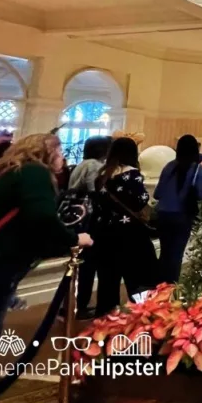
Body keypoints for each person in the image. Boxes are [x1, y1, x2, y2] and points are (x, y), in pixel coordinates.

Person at [0, 134, 92, 403]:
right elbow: (41, 217)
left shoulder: (6, 171)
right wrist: (72, 238)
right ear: (48, 153)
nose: (63, 160)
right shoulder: (33, 173)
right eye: (60, 154)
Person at [92, 137, 157, 316]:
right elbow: (140, 201)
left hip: (105, 234)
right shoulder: (132, 174)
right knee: (139, 280)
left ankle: (106, 321)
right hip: (130, 235)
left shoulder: (102, 176)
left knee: (108, 282)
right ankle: (141, 319)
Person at [66, 136, 112, 318]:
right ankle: (80, 304)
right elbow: (96, 191)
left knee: (81, 262)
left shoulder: (81, 164)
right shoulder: (93, 166)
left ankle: (74, 303)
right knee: (87, 262)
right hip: (88, 220)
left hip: (77, 217)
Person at [154, 135, 202, 284]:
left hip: (163, 214)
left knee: (164, 253)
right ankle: (171, 288)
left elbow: (157, 194)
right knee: (176, 255)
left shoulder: (168, 166)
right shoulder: (198, 169)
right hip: (183, 215)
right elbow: (200, 194)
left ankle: (159, 286)